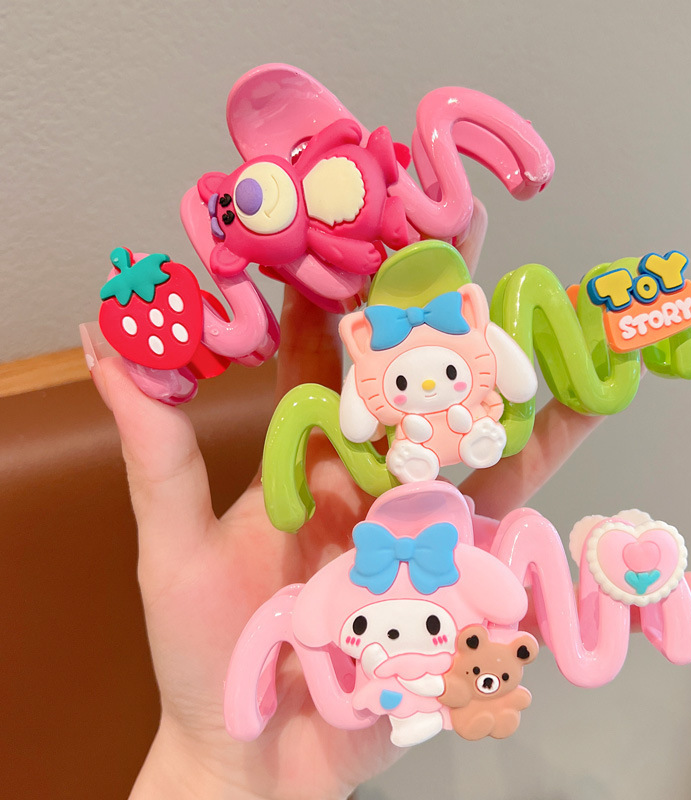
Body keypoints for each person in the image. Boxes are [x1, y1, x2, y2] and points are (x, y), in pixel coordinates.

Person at [82, 210, 602, 799]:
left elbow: (515, 388)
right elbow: (356, 425)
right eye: (403, 384)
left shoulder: (396, 582)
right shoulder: (361, 590)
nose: (423, 389)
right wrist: (214, 767)